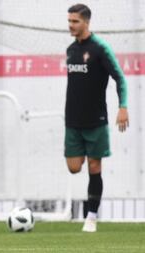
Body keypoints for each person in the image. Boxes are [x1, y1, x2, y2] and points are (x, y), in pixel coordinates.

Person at [65, 4, 129, 232]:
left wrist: (123, 106)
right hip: (72, 121)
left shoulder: (100, 49)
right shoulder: (71, 50)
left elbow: (120, 78)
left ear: (86, 22)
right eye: (69, 21)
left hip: (96, 120)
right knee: (74, 167)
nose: (71, 25)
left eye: (75, 21)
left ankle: (91, 217)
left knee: (94, 166)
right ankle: (89, 212)